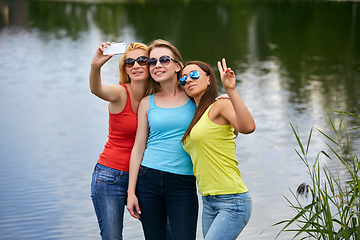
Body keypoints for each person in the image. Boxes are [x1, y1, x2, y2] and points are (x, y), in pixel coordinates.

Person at [127, 39, 198, 240]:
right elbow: (138, 147)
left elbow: (223, 129)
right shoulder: (146, 102)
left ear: (178, 66)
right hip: (148, 180)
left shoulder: (195, 98)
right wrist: (131, 192)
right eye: (152, 62)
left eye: (164, 60)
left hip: (183, 182)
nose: (158, 65)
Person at [89, 42, 158, 240]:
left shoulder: (157, 97)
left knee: (163, 233)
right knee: (112, 237)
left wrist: (217, 99)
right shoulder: (120, 93)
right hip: (111, 176)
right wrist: (96, 67)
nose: (135, 65)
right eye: (129, 62)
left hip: (145, 176)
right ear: (125, 69)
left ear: (151, 64)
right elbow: (97, 89)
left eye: (142, 61)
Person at [181, 59, 256, 240]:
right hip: (208, 201)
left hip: (232, 200)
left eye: (194, 75)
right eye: (183, 79)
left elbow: (248, 127)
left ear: (209, 79)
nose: (188, 80)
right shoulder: (196, 116)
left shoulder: (220, 105)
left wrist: (231, 90)